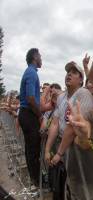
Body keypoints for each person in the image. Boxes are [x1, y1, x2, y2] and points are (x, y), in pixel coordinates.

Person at [44, 61, 93, 200]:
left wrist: (59, 153)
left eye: (74, 72)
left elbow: (73, 127)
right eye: (68, 72)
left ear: (81, 79)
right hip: (62, 145)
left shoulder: (83, 93)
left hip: (78, 148)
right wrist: (48, 149)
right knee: (65, 184)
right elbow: (55, 123)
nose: (69, 74)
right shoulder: (61, 96)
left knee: (78, 188)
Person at [18, 48, 42, 188]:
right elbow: (31, 98)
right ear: (35, 57)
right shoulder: (32, 73)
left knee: (30, 149)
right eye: (40, 56)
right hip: (29, 114)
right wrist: (39, 116)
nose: (41, 59)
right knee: (33, 150)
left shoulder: (29, 72)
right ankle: (36, 182)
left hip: (26, 114)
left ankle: (34, 179)